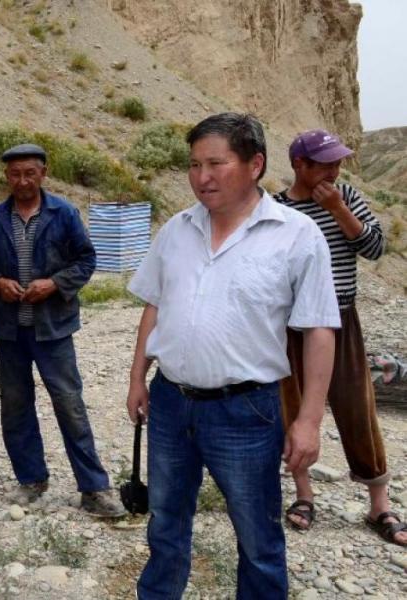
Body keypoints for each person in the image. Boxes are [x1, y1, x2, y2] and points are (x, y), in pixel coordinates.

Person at [125, 113, 340, 599]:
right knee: (165, 524)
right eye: (194, 165)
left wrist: (309, 421)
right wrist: (138, 378)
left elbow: (319, 330)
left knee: (258, 537)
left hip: (246, 411)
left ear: (254, 164)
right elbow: (154, 305)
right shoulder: (177, 229)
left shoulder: (297, 235)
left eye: (216, 163)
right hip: (170, 403)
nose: (202, 177)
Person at [0, 143, 124, 517]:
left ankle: (94, 488)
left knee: (69, 404)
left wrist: (55, 284)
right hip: (10, 330)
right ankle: (31, 480)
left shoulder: (64, 213)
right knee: (16, 407)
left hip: (53, 329)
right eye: (15, 174)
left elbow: (86, 259)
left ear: (43, 173)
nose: (23, 180)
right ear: (6, 176)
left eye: (30, 173)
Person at [276, 129, 404, 545]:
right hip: (292, 324)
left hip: (341, 318)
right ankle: (304, 495)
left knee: (356, 406)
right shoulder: (277, 208)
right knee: (293, 407)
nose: (335, 170)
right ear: (300, 165)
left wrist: (338, 210)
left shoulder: (345, 195)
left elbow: (375, 248)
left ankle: (379, 504)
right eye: (325, 164)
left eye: (337, 162)